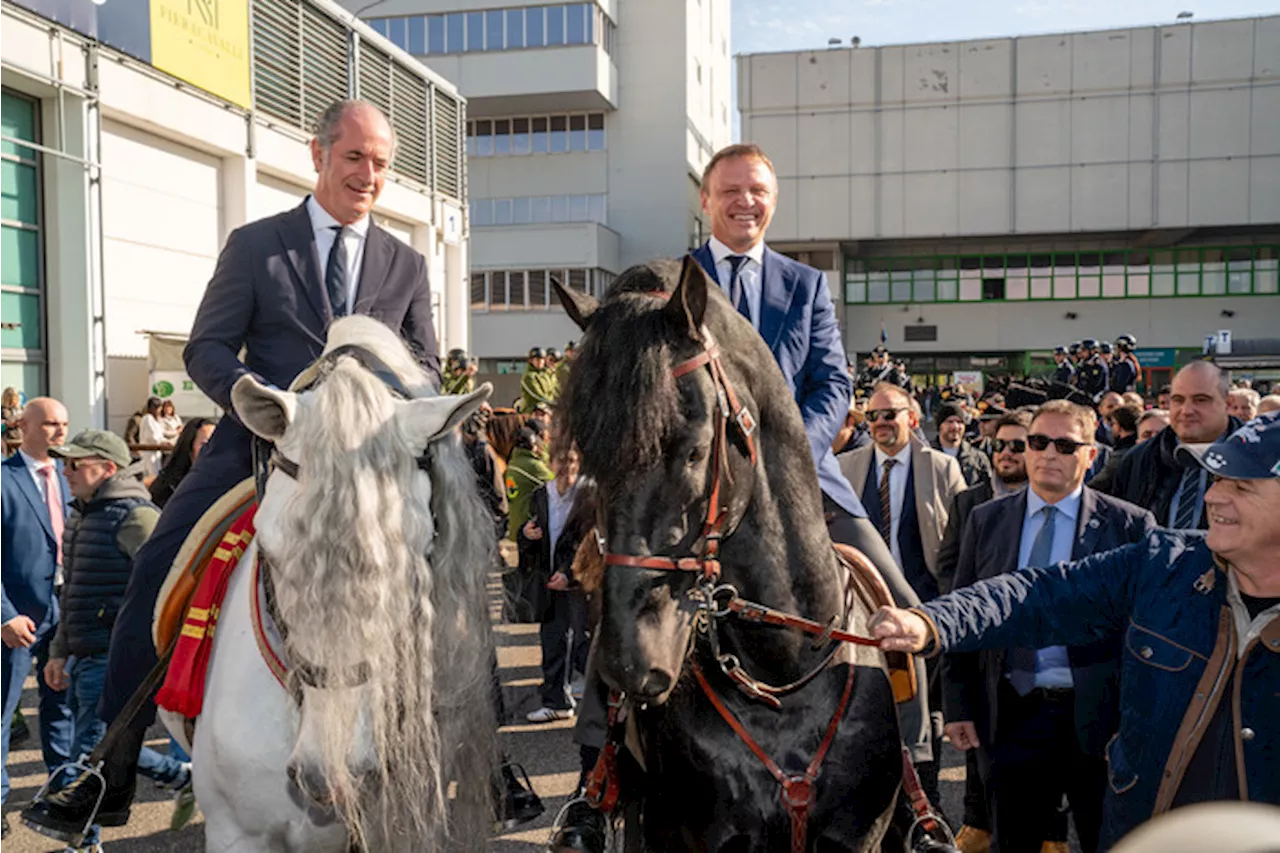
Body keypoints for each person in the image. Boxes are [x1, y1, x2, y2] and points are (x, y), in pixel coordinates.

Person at [23, 98, 444, 839]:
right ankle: (106, 767)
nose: (369, 174)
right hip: (259, 451)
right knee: (153, 570)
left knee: (449, 573)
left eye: (381, 162)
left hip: (365, 462)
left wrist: (382, 403)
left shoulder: (406, 262)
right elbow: (205, 347)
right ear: (318, 156)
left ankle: (467, 752)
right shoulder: (257, 246)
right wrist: (261, 403)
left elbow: (429, 364)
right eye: (355, 157)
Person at [870, 410, 1280, 851]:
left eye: (1239, 486)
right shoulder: (1164, 565)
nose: (1213, 498)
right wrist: (933, 621)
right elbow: (1039, 594)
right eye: (1214, 480)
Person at [939, 400, 1155, 853]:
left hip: (1099, 718)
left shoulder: (1129, 525)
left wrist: (1135, 720)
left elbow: (1143, 633)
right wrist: (958, 705)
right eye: (1037, 443)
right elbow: (963, 613)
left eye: (1064, 445)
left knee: (1109, 839)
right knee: (1012, 840)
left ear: (1091, 454)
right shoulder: (987, 520)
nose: (1047, 454)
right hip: (1011, 711)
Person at [44, 431, 189, 848]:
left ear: (107, 468)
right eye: (64, 463)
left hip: (113, 656)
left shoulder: (136, 517)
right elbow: (73, 591)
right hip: (82, 655)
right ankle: (179, 775)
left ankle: (85, 843)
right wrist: (59, 653)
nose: (66, 472)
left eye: (76, 463)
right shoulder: (81, 514)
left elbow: (170, 585)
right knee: (96, 753)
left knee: (85, 759)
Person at [934, 409, 1061, 853]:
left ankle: (1054, 833)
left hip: (1068, 678)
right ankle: (979, 821)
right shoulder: (976, 508)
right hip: (999, 667)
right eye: (1002, 445)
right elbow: (952, 572)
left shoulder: (1097, 517)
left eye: (1018, 444)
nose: (1008, 453)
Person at [838, 381, 966, 807]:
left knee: (922, 711)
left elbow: (958, 541)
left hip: (923, 606)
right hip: (860, 608)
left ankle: (925, 806)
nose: (879, 423)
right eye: (872, 416)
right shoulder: (845, 467)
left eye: (889, 414)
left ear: (912, 418)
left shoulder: (941, 468)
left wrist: (943, 601)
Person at [0, 398, 74, 838]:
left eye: (64, 424)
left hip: (65, 615)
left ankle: (61, 791)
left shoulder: (69, 478)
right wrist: (4, 615)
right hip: (15, 620)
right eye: (50, 424)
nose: (60, 432)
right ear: (22, 426)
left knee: (60, 708)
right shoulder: (4, 480)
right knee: (4, 710)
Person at [1093, 361, 1239, 530]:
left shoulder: (1259, 457)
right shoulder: (1138, 459)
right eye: (1177, 400)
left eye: (1200, 400)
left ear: (1228, 403)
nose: (1187, 410)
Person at [519, 443, 591, 723]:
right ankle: (556, 702)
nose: (566, 468)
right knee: (552, 640)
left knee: (582, 643)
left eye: (572, 461)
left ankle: (607, 701)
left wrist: (570, 574)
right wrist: (525, 533)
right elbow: (528, 532)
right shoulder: (541, 495)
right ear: (550, 464)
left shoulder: (588, 496)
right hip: (549, 581)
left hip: (578, 583)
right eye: (561, 461)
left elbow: (590, 541)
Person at [147, 417, 217, 509]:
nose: (213, 450)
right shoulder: (168, 489)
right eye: (205, 445)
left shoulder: (223, 485)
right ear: (190, 449)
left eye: (216, 444)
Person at [504, 421, 553, 543]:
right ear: (533, 444)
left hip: (516, 523)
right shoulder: (532, 466)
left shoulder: (513, 462)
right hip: (529, 525)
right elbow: (555, 481)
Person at [932, 401, 992, 487]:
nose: (955, 426)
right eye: (950, 422)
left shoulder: (978, 458)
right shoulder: (927, 455)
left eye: (959, 422)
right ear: (940, 426)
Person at [135, 397, 168, 479]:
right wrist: (162, 442)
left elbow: (160, 435)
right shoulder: (148, 418)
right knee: (151, 475)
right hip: (149, 452)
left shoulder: (155, 420)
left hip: (155, 452)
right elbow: (152, 436)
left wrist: (165, 441)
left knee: (154, 474)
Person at [519, 347, 557, 413]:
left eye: (542, 359)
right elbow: (537, 396)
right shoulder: (529, 376)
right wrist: (552, 403)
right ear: (531, 361)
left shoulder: (546, 374)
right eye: (537, 359)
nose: (540, 362)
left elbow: (553, 390)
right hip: (531, 409)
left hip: (546, 406)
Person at [0, 387, 22, 455]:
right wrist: (6, 424)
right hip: (8, 440)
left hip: (19, 439)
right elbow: (2, 426)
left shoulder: (19, 409)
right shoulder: (3, 411)